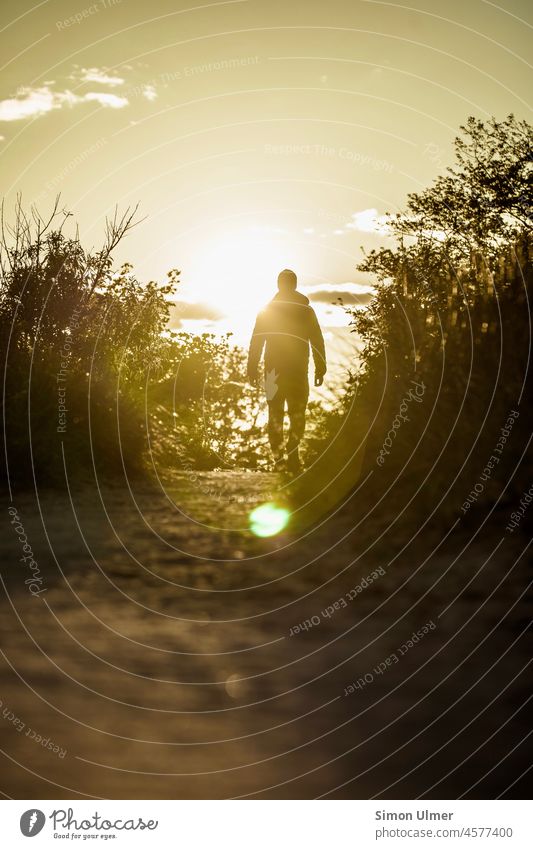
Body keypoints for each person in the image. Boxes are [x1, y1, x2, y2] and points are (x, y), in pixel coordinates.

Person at [247, 268, 326, 472]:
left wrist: (252, 369)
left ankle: (279, 461)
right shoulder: (306, 311)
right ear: (295, 285)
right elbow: (317, 340)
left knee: (275, 413)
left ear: (279, 285)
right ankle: (292, 456)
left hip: (273, 373)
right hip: (298, 371)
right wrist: (320, 367)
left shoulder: (267, 310)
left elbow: (257, 341)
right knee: (298, 413)